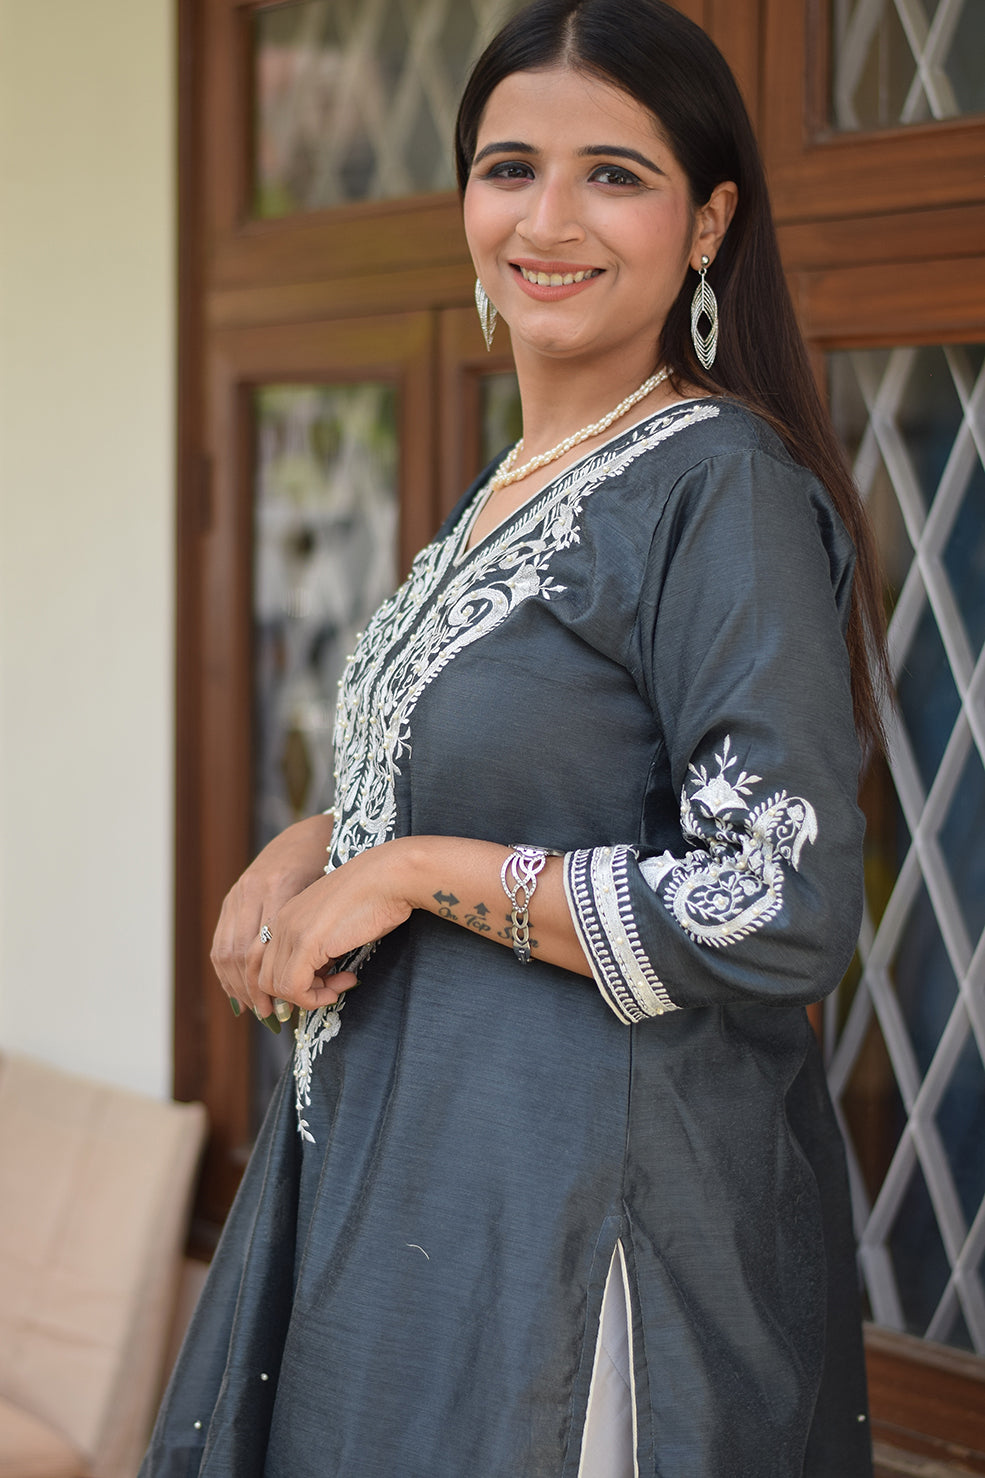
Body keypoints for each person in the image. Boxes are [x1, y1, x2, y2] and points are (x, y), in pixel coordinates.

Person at [141, 2, 888, 1474]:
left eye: (613, 172)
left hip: (574, 1240)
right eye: (508, 168)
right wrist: (317, 845)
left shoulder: (711, 485)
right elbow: (509, 771)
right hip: (413, 1188)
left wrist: (410, 869)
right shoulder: (519, 478)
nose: (547, 219)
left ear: (706, 219)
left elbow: (776, 894)